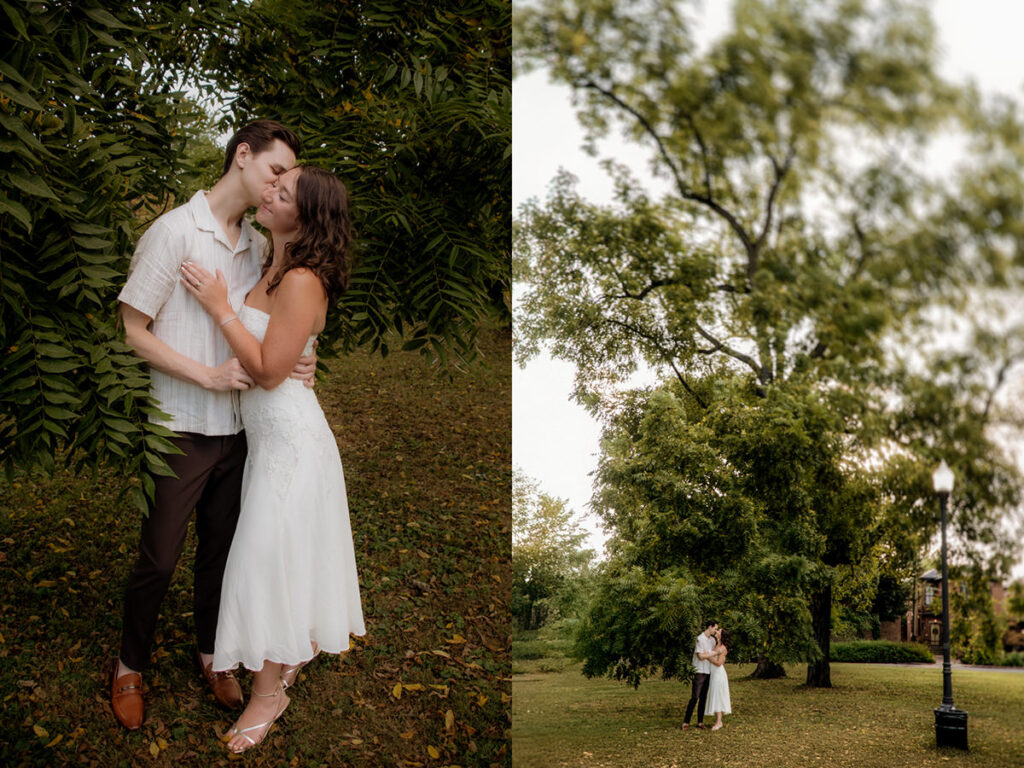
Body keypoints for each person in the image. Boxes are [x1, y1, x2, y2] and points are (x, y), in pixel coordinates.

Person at [111, 120, 306, 731]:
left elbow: (262, 326)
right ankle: (128, 666)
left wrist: (301, 352)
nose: (281, 186)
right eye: (277, 171)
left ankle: (214, 657)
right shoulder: (172, 232)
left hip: (244, 430)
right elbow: (133, 330)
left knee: (222, 555)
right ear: (242, 156)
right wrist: (207, 376)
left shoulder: (255, 242)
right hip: (181, 425)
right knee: (160, 558)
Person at [181, 164, 365, 753]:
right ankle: (288, 652)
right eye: (274, 184)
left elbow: (265, 370)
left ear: (304, 216)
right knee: (279, 556)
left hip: (292, 444)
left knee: (262, 557)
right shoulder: (272, 262)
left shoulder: (304, 279)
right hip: (267, 441)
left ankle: (269, 693)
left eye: (282, 194)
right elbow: (286, 352)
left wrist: (218, 307)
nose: (270, 193)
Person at [682, 619, 718, 730]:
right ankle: (686, 722)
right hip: (699, 671)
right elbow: (700, 657)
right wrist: (710, 654)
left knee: (703, 697)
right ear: (709, 627)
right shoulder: (700, 639)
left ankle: (700, 721)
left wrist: (708, 654)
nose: (715, 631)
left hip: (708, 671)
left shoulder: (712, 640)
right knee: (695, 697)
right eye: (715, 629)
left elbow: (711, 655)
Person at [706, 627, 731, 731]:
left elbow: (719, 663)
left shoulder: (723, 648)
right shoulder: (716, 644)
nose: (716, 632)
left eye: (718, 631)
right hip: (713, 673)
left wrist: (708, 658)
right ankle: (718, 720)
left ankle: (719, 721)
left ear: (721, 635)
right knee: (715, 694)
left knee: (718, 696)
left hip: (719, 674)